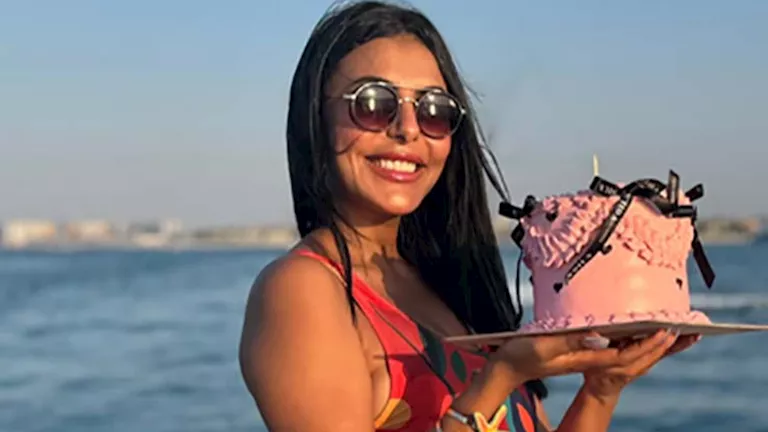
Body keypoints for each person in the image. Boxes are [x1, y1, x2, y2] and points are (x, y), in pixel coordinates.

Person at [238, 1, 700, 431]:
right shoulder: (302, 290)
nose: (407, 129)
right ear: (315, 119)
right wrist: (501, 376)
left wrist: (601, 390)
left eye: (434, 110)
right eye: (373, 103)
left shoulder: (450, 283)